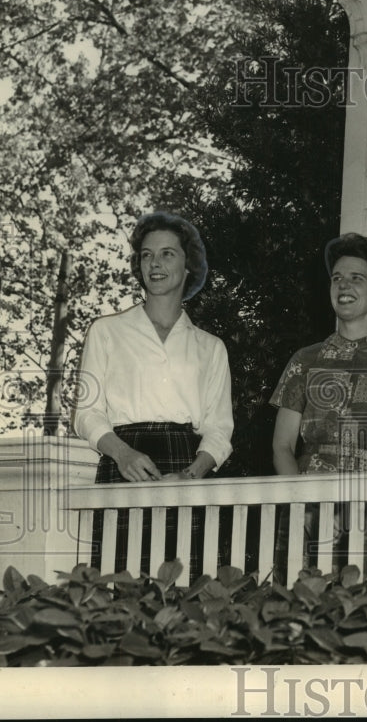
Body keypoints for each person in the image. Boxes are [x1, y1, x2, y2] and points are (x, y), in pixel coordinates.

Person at [73, 211, 233, 580]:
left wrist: (192, 475)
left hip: (185, 464)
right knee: (120, 583)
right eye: (147, 255)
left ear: (189, 265)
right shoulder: (106, 331)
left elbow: (219, 428)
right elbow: (86, 413)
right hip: (124, 461)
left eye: (167, 254)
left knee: (184, 588)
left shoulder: (210, 347)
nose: (155, 264)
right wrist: (122, 453)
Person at [269, 233, 367, 579]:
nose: (344, 285)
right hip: (307, 506)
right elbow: (282, 445)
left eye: (357, 278)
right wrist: (303, 504)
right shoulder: (305, 360)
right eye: (337, 278)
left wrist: (361, 507)